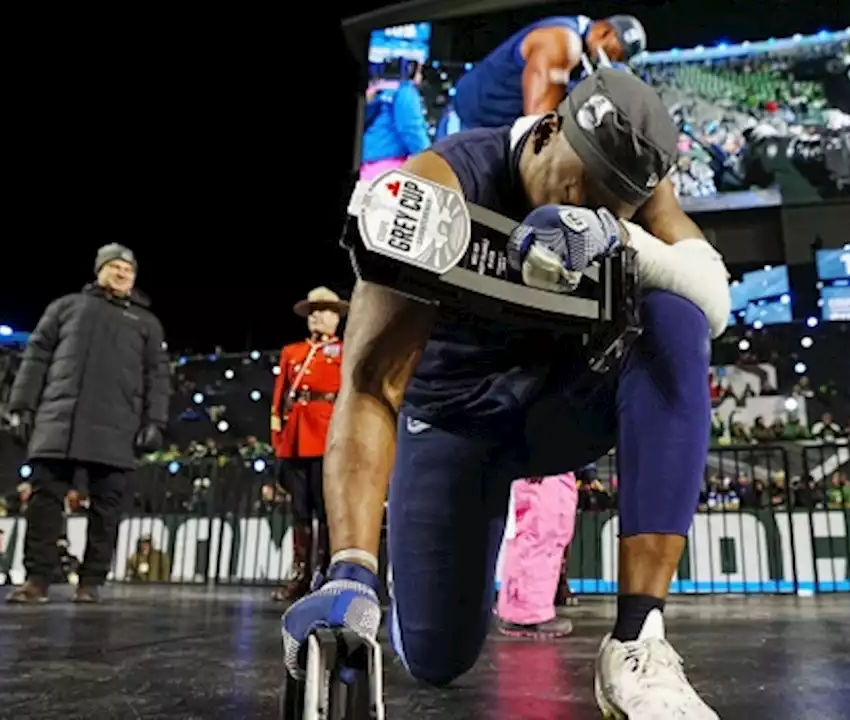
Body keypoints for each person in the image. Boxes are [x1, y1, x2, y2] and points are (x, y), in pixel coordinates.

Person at [283, 68, 729, 718]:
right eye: (579, 190)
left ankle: (638, 639)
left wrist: (622, 241)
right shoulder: (444, 181)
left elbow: (714, 295)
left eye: (612, 206)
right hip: (455, 426)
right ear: (548, 131)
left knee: (676, 312)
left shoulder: (640, 183)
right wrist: (352, 562)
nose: (589, 208)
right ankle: (415, 592)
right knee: (437, 660)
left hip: (556, 406)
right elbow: (372, 383)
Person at [5, 243, 170, 604]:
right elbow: (36, 355)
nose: (122, 273)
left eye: (128, 269)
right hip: (59, 421)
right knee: (45, 499)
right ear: (99, 270)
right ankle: (37, 580)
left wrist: (155, 421)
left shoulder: (147, 323)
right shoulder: (66, 307)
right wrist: (21, 405)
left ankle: (91, 581)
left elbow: (157, 376)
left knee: (107, 504)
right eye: (114, 266)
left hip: (118, 424)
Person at [269, 287, 346, 602]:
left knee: (326, 510)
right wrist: (279, 441)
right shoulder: (292, 352)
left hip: (327, 436)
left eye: (325, 310)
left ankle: (323, 573)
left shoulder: (346, 350)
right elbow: (278, 401)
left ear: (337, 318)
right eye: (313, 310)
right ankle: (300, 574)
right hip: (296, 438)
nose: (317, 315)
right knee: (299, 511)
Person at [447, 15, 647, 133]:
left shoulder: (587, 56)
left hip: (494, 130)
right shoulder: (563, 42)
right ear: (604, 32)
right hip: (466, 125)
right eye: (614, 54)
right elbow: (538, 126)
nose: (611, 61)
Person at [496, 471, 578, 638]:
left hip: (556, 466)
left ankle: (531, 610)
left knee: (552, 534)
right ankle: (525, 614)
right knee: (538, 533)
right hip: (542, 465)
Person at [361, 60, 432, 181]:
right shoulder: (405, 91)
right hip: (389, 168)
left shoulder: (377, 88)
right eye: (420, 70)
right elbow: (411, 129)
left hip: (367, 165)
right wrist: (431, 162)